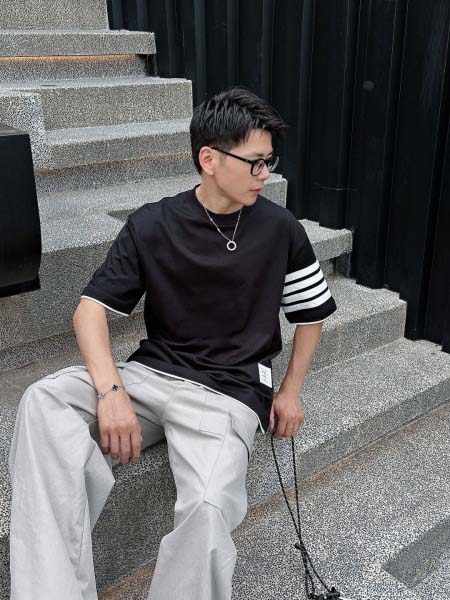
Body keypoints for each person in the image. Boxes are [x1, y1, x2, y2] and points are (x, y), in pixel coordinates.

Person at [8, 86, 337, 600]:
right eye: (255, 162)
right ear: (209, 159)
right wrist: (110, 391)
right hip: (149, 376)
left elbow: (311, 314)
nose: (265, 174)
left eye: (269, 161)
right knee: (44, 401)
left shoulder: (281, 229)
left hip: (228, 393)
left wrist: (290, 391)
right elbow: (89, 311)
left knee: (208, 508)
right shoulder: (152, 223)